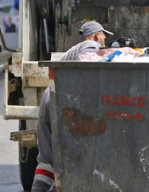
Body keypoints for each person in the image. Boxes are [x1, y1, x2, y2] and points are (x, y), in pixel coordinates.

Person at [31, 20, 113, 192]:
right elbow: (87, 64)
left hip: (49, 99)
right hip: (62, 101)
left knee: (47, 160)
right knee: (72, 159)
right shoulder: (90, 45)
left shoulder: (72, 50)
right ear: (97, 35)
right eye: (104, 38)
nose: (104, 42)